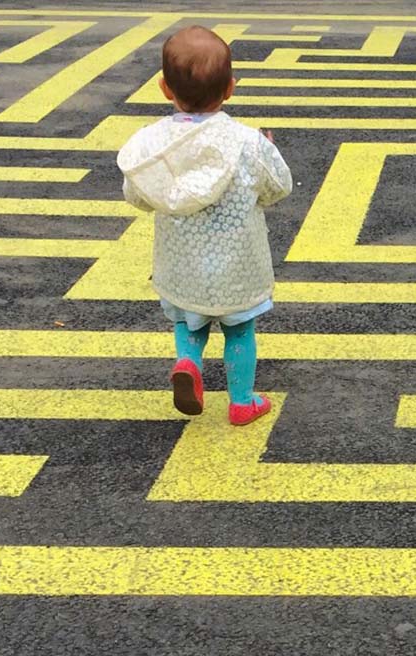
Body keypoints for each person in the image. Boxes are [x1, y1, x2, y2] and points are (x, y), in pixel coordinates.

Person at [117, 25, 292, 425]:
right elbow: (278, 187)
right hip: (237, 266)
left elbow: (137, 195)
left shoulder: (153, 144)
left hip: (182, 263)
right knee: (240, 330)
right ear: (230, 88)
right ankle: (242, 402)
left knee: (188, 319)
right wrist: (269, 150)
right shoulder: (247, 143)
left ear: (164, 88)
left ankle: (188, 363)